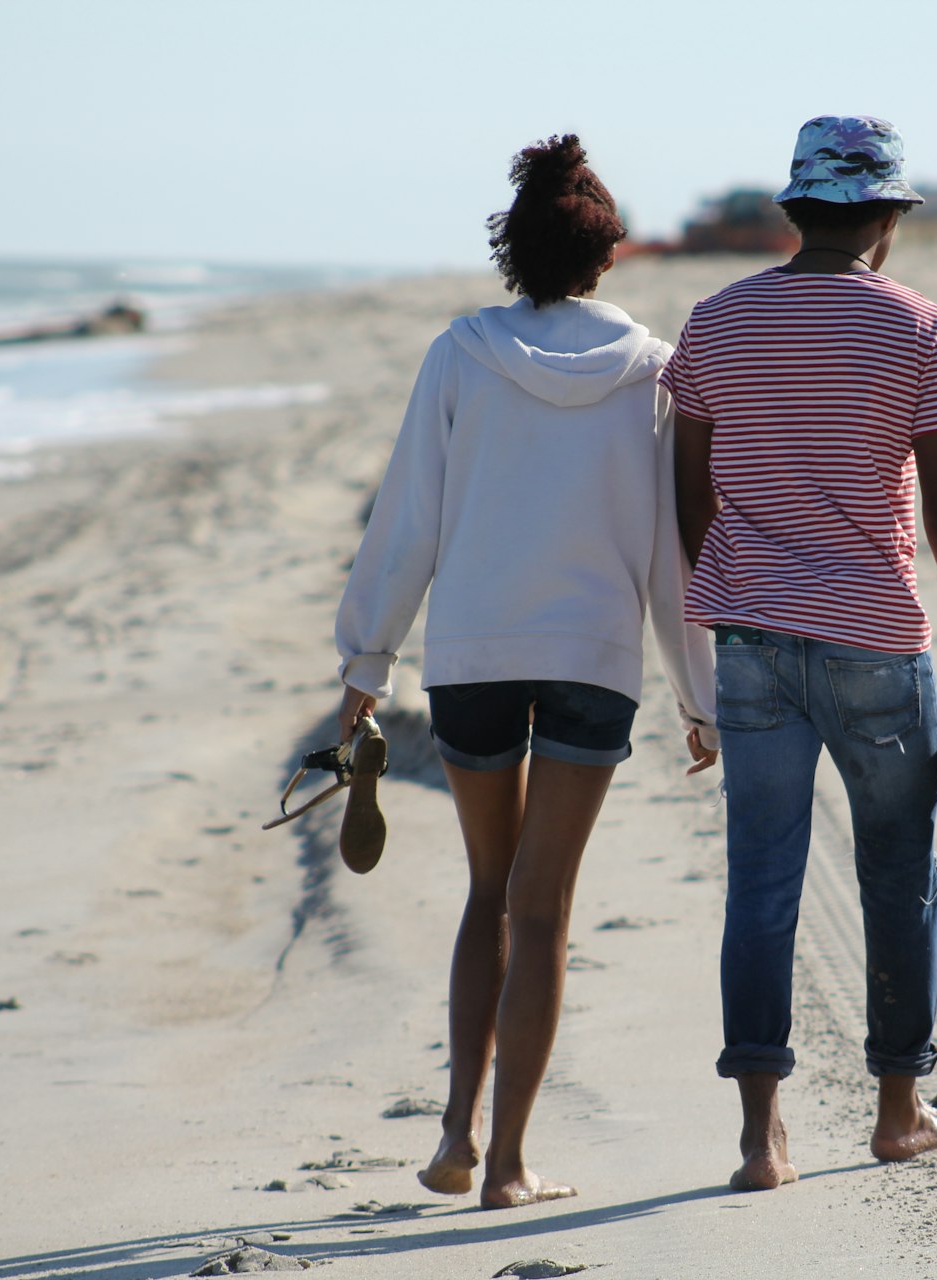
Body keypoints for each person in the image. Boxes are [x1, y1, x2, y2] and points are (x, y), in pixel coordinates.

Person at [332, 134, 717, 1208]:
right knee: (545, 906)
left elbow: (406, 520)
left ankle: (455, 1130)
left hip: (474, 655)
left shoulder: (461, 352)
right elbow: (665, 549)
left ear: (517, 251)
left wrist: (368, 659)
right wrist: (702, 692)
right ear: (603, 256)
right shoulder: (649, 369)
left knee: (488, 892)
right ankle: (507, 1165)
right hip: (593, 656)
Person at [664, 115, 937, 1191]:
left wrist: (722, 594)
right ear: (887, 217)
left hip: (754, 643)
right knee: (898, 876)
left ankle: (759, 1135)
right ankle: (898, 1110)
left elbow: (690, 486)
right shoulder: (924, 330)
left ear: (797, 212)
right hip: (874, 638)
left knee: (760, 881)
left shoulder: (714, 324)